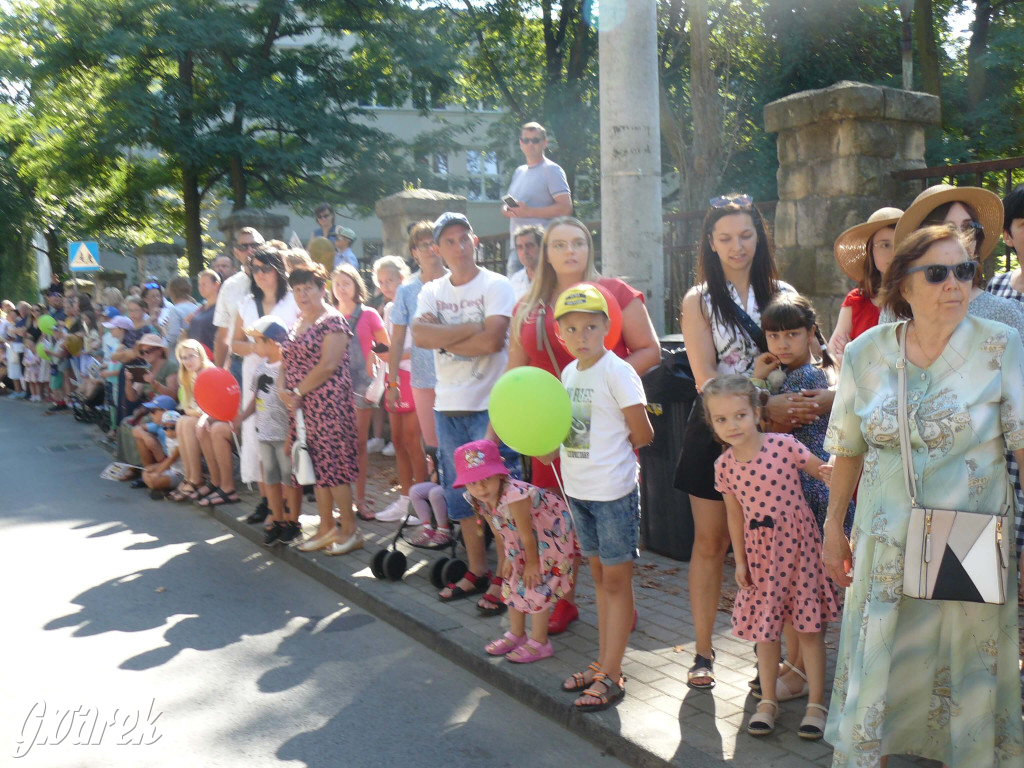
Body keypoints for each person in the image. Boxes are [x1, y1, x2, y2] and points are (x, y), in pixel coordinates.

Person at [823, 225, 1024, 767]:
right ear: (903, 286)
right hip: (886, 535)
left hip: (972, 534)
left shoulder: (1002, 345)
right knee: (884, 650)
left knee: (968, 657)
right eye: (937, 273)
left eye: (965, 271)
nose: (955, 283)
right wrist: (832, 526)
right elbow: (847, 447)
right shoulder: (867, 353)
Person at [676, 193, 827, 691]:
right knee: (711, 543)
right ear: (711, 244)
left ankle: (788, 663)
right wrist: (761, 405)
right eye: (725, 238)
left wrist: (775, 413)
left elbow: (806, 356)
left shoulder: (780, 289)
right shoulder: (698, 299)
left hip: (777, 441)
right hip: (716, 432)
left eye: (745, 235)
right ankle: (703, 652)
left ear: (759, 237)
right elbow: (703, 377)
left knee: (783, 540)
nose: (737, 246)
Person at [499, 215, 660, 628]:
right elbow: (514, 378)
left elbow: (649, 350)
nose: (570, 251)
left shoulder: (616, 293)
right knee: (555, 520)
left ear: (590, 248)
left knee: (608, 523)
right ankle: (562, 600)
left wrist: (609, 391)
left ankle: (622, 603)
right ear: (545, 253)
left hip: (602, 433)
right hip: (548, 431)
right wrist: (506, 427)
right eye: (559, 245)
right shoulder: (527, 307)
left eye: (578, 243)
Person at [891, 184, 1024, 560]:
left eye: (969, 227)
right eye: (947, 226)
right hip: (897, 503)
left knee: (966, 611)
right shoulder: (890, 325)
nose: (959, 238)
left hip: (975, 503)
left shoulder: (1005, 318)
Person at [703, 374, 837, 739]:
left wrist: (839, 471)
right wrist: (741, 561)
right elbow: (735, 515)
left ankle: (816, 704)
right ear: (712, 423)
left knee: (808, 629)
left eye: (740, 415)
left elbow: (822, 471)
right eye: (721, 419)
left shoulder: (783, 445)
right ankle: (768, 703)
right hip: (762, 557)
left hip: (800, 551)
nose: (732, 425)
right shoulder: (724, 467)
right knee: (766, 631)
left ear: (757, 413)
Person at [548, 284, 653, 712]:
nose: (582, 335)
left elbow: (643, 432)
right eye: (572, 328)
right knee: (599, 581)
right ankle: (604, 663)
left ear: (608, 327)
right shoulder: (568, 374)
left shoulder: (618, 370)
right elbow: (567, 432)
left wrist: (612, 461)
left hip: (613, 494)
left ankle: (612, 671)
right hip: (579, 493)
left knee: (616, 582)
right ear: (560, 334)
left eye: (591, 326)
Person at [411, 211, 519, 602]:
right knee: (462, 500)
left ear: (475, 241)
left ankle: (508, 578)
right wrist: (470, 328)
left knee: (499, 497)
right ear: (436, 249)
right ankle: (477, 570)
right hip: (448, 407)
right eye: (449, 241)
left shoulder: (497, 284)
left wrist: (444, 338)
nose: (458, 247)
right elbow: (420, 335)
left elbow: (493, 342)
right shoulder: (431, 290)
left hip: (491, 406)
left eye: (464, 238)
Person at [457, 439, 577, 664]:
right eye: (473, 483)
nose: (480, 488)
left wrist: (532, 564)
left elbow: (527, 534)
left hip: (549, 534)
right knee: (510, 582)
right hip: (524, 538)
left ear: (500, 475)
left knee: (536, 584)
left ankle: (540, 642)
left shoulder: (514, 496)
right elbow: (498, 530)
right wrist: (509, 558)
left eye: (486, 480)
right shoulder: (478, 498)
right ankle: (517, 635)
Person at [279, 264, 362, 556]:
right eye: (297, 290)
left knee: (335, 467)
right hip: (302, 408)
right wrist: (283, 390)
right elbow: (286, 360)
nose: (302, 294)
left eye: (308, 288)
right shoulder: (299, 321)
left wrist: (298, 391)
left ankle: (350, 529)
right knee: (315, 467)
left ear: (321, 289)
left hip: (329, 405)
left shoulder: (333, 320)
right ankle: (326, 527)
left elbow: (328, 365)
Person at [233, 245, 299, 520]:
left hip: (288, 376)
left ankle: (288, 506)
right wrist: (257, 348)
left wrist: (277, 351)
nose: (259, 274)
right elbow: (235, 342)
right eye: (254, 268)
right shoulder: (246, 302)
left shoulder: (294, 300)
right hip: (256, 375)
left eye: (265, 268)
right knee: (257, 439)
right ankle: (266, 501)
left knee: (285, 441)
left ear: (278, 270)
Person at [234, 316, 301, 545]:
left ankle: (293, 521)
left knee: (289, 480)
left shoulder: (288, 368)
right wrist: (242, 417)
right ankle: (278, 519)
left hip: (284, 436)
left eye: (257, 342)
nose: (254, 346)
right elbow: (256, 398)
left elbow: (293, 405)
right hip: (264, 434)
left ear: (272, 342)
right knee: (270, 478)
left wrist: (291, 436)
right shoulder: (260, 367)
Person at [387, 221, 446, 474]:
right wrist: (392, 383)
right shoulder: (407, 290)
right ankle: (434, 508)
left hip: (457, 379)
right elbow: (398, 340)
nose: (431, 249)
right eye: (424, 245)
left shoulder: (457, 281)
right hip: (423, 380)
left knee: (459, 449)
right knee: (432, 449)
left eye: (435, 243)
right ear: (414, 252)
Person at [331, 262, 389, 521]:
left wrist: (374, 363)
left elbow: (386, 346)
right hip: (332, 388)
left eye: (346, 283)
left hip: (362, 387)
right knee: (336, 445)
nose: (341, 288)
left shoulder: (368, 315)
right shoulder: (329, 315)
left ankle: (361, 499)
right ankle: (340, 500)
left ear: (356, 286)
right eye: (337, 284)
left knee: (358, 445)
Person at [373, 255, 428, 523]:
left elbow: (420, 346)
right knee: (397, 441)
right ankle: (405, 500)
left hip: (413, 377)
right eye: (381, 282)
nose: (386, 286)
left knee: (412, 441)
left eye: (390, 280)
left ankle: (422, 503)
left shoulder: (416, 303)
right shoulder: (387, 308)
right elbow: (390, 347)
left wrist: (393, 356)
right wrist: (385, 358)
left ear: (402, 279)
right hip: (392, 378)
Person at [828, 207, 903, 363]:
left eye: (900, 244)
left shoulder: (920, 298)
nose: (893, 252)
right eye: (885, 245)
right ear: (870, 251)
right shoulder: (856, 301)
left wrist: (854, 354)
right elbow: (834, 353)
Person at [502, 121, 572, 276]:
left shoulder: (552, 170)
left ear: (544, 143)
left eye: (535, 140)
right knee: (517, 298)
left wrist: (529, 212)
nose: (530, 144)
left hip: (541, 249)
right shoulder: (519, 171)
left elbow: (565, 208)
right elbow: (509, 203)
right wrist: (508, 210)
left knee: (543, 298)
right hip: (518, 249)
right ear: (520, 143)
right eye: (526, 140)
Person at [167, 340, 216, 502]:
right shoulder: (188, 375)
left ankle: (196, 478)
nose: (187, 361)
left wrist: (190, 412)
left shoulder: (209, 372)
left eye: (191, 356)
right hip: (199, 416)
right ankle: (189, 476)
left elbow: (211, 407)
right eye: (183, 358)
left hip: (214, 417)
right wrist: (189, 412)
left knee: (186, 421)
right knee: (182, 421)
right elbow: (189, 405)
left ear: (200, 355)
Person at [214, 227, 262, 372]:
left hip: (272, 361)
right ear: (236, 252)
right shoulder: (229, 287)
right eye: (244, 247)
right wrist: (219, 371)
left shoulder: (279, 281)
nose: (250, 250)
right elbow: (223, 333)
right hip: (239, 363)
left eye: (255, 245)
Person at [141, 410, 184, 498]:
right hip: (172, 469)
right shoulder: (169, 439)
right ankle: (161, 486)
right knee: (146, 471)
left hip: (181, 473)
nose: (169, 431)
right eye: (165, 428)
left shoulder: (180, 441)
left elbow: (172, 459)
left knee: (154, 480)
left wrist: (158, 473)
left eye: (172, 428)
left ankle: (161, 486)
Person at [183, 269, 220, 353]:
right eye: (199, 285)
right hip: (196, 356)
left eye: (204, 284)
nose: (201, 288)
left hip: (212, 356)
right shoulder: (200, 308)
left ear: (216, 285)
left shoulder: (222, 308)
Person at [162, 276, 200, 349]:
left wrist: (165, 331)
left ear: (172, 293)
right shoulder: (196, 308)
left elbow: (172, 337)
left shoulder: (175, 310)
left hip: (177, 353)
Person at [508, 225, 543, 300]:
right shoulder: (514, 281)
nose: (525, 251)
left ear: (541, 247)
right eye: (520, 247)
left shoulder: (553, 277)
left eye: (529, 245)